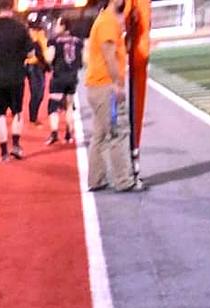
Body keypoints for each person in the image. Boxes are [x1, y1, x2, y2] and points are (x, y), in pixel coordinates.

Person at [85, 0, 145, 191]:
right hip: (106, 86)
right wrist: (118, 84)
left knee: (100, 135)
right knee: (117, 132)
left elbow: (118, 49)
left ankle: (96, 179)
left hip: (97, 85)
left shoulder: (106, 21)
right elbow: (109, 54)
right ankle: (123, 180)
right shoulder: (107, 22)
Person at [0, 0, 38, 161]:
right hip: (16, 77)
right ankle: (16, 146)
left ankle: (4, 153)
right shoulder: (21, 30)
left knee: (0, 116)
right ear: (11, 10)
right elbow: (31, 54)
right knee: (17, 113)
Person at [45, 18, 83, 145]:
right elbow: (82, 59)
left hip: (59, 76)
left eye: (57, 24)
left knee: (53, 106)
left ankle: (54, 133)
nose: (55, 27)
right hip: (72, 76)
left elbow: (49, 57)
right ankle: (69, 134)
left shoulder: (54, 41)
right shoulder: (77, 41)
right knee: (69, 106)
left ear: (63, 26)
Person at [24, 17, 50, 126]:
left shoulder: (39, 33)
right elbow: (38, 50)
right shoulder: (31, 34)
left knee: (39, 93)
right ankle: (33, 117)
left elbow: (43, 50)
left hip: (38, 65)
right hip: (33, 65)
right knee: (36, 93)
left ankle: (33, 116)